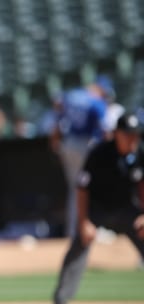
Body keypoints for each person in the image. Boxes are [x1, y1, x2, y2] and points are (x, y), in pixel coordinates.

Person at [53, 113, 144, 304]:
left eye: (135, 135)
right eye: (128, 134)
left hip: (127, 211)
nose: (132, 139)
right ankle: (61, 298)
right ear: (116, 134)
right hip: (98, 210)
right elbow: (82, 188)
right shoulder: (99, 153)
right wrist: (84, 221)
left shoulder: (139, 154)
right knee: (80, 243)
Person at [50, 80, 108, 237]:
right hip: (85, 145)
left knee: (75, 189)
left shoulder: (70, 96)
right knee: (87, 187)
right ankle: (88, 227)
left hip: (68, 145)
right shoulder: (96, 101)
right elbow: (105, 131)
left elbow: (57, 119)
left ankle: (73, 230)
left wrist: (56, 144)